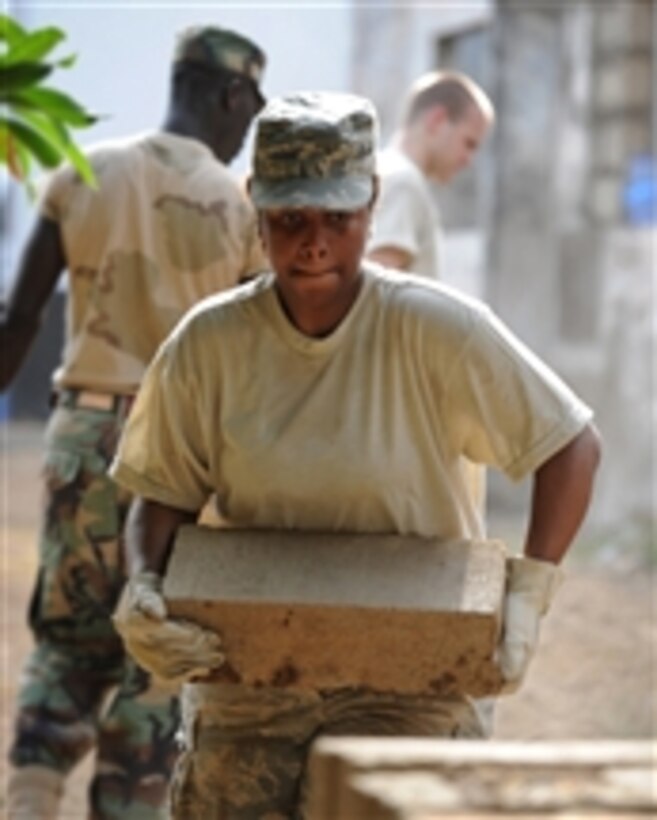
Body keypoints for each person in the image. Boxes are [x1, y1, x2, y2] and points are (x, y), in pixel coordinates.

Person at [110, 91, 601, 818]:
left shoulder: (438, 330)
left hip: (411, 680)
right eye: (290, 221)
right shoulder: (208, 346)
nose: (313, 244)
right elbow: (163, 492)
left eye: (337, 219)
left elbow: (571, 446)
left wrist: (529, 591)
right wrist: (143, 585)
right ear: (257, 209)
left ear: (371, 204)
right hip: (252, 677)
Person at [1, 25, 268, 820]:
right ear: (230, 95)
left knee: (66, 644)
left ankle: (27, 801)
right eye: (251, 106)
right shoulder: (239, 207)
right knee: (151, 664)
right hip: (178, 461)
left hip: (80, 439)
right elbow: (252, 363)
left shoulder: (82, 172)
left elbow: (19, 319)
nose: (249, 124)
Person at [367, 70, 494, 279]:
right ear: (437, 120)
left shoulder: (379, 172)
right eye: (469, 143)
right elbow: (377, 296)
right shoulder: (404, 183)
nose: (468, 160)